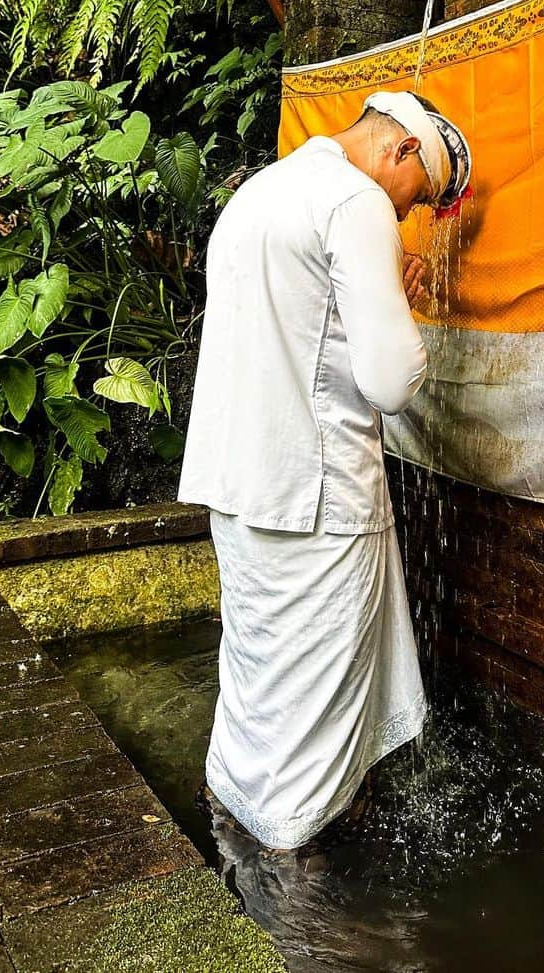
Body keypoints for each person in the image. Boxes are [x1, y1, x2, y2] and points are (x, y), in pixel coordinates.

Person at [178, 89, 472, 851]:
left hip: (239, 491)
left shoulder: (260, 193)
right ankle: (299, 903)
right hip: (317, 505)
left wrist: (380, 299)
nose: (409, 217)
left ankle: (232, 832)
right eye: (418, 201)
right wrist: (405, 319)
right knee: (313, 729)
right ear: (401, 150)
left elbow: (300, 337)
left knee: (259, 690)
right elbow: (391, 381)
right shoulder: (356, 199)